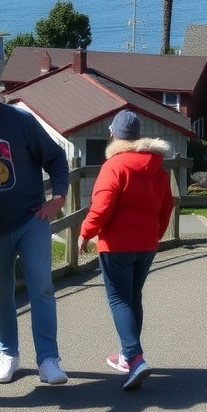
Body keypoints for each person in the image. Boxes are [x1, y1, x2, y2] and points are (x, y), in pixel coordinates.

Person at [0, 64, 70, 386]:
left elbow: (56, 159)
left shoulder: (21, 122)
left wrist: (59, 198)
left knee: (42, 287)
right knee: (0, 291)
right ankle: (8, 354)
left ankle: (48, 360)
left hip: (30, 219)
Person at [77, 109, 173, 391]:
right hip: (146, 244)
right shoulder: (159, 168)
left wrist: (85, 233)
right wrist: (156, 234)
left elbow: (102, 207)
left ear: (113, 135)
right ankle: (126, 356)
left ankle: (134, 357)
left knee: (119, 300)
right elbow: (167, 207)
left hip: (116, 245)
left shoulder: (114, 167)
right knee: (133, 298)